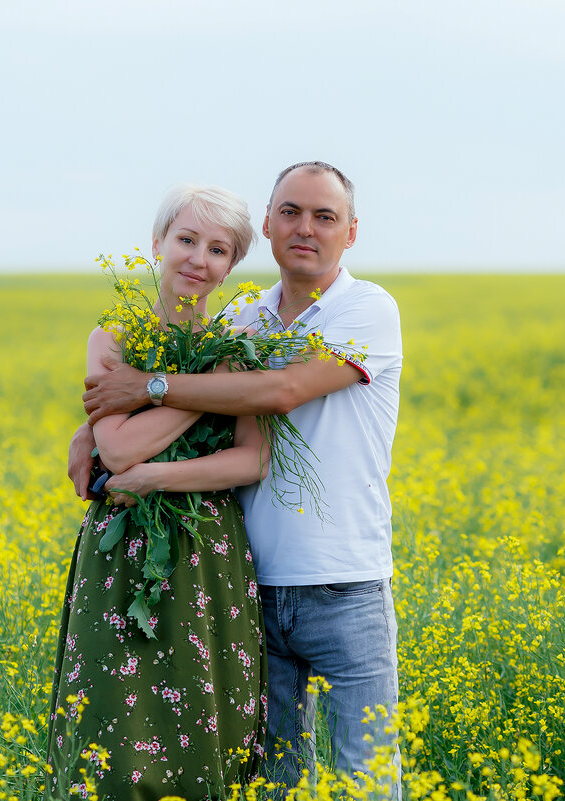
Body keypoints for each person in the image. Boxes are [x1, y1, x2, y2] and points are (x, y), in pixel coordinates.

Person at [70, 162, 404, 797]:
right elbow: (187, 391)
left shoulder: (368, 309)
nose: (306, 228)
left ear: (351, 233)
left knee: (366, 775)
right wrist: (87, 429)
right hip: (249, 583)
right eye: (291, 213)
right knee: (271, 776)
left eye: (325, 217)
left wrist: (148, 389)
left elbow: (275, 391)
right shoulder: (245, 323)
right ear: (270, 229)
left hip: (344, 585)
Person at [46, 184, 271, 801]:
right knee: (113, 728)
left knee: (207, 726)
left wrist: (156, 469)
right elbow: (115, 452)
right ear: (158, 245)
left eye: (219, 249)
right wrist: (201, 385)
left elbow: (251, 460)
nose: (199, 259)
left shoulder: (241, 350)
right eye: (187, 240)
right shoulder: (115, 337)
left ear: (231, 266)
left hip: (207, 550)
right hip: (124, 548)